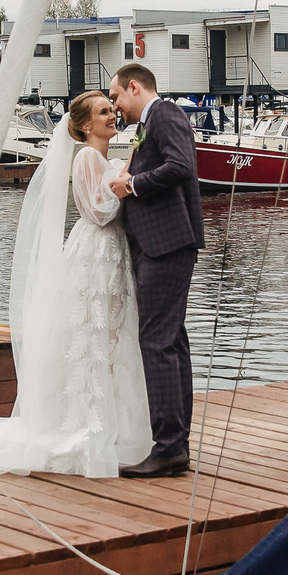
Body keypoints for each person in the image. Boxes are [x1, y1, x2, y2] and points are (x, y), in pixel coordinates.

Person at [0, 91, 152, 479]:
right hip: (96, 251)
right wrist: (125, 187)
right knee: (92, 332)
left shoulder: (102, 158)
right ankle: (86, 422)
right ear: (85, 125)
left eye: (112, 110)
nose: (112, 116)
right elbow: (99, 211)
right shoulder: (89, 157)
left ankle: (107, 420)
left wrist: (122, 176)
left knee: (107, 334)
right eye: (103, 112)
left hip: (110, 253)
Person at [107, 61, 201, 477]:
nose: (115, 108)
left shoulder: (164, 114)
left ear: (133, 87)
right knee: (171, 341)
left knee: (157, 342)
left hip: (167, 244)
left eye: (115, 98)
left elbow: (182, 166)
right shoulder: (151, 122)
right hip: (159, 244)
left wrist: (133, 185)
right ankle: (174, 442)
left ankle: (168, 446)